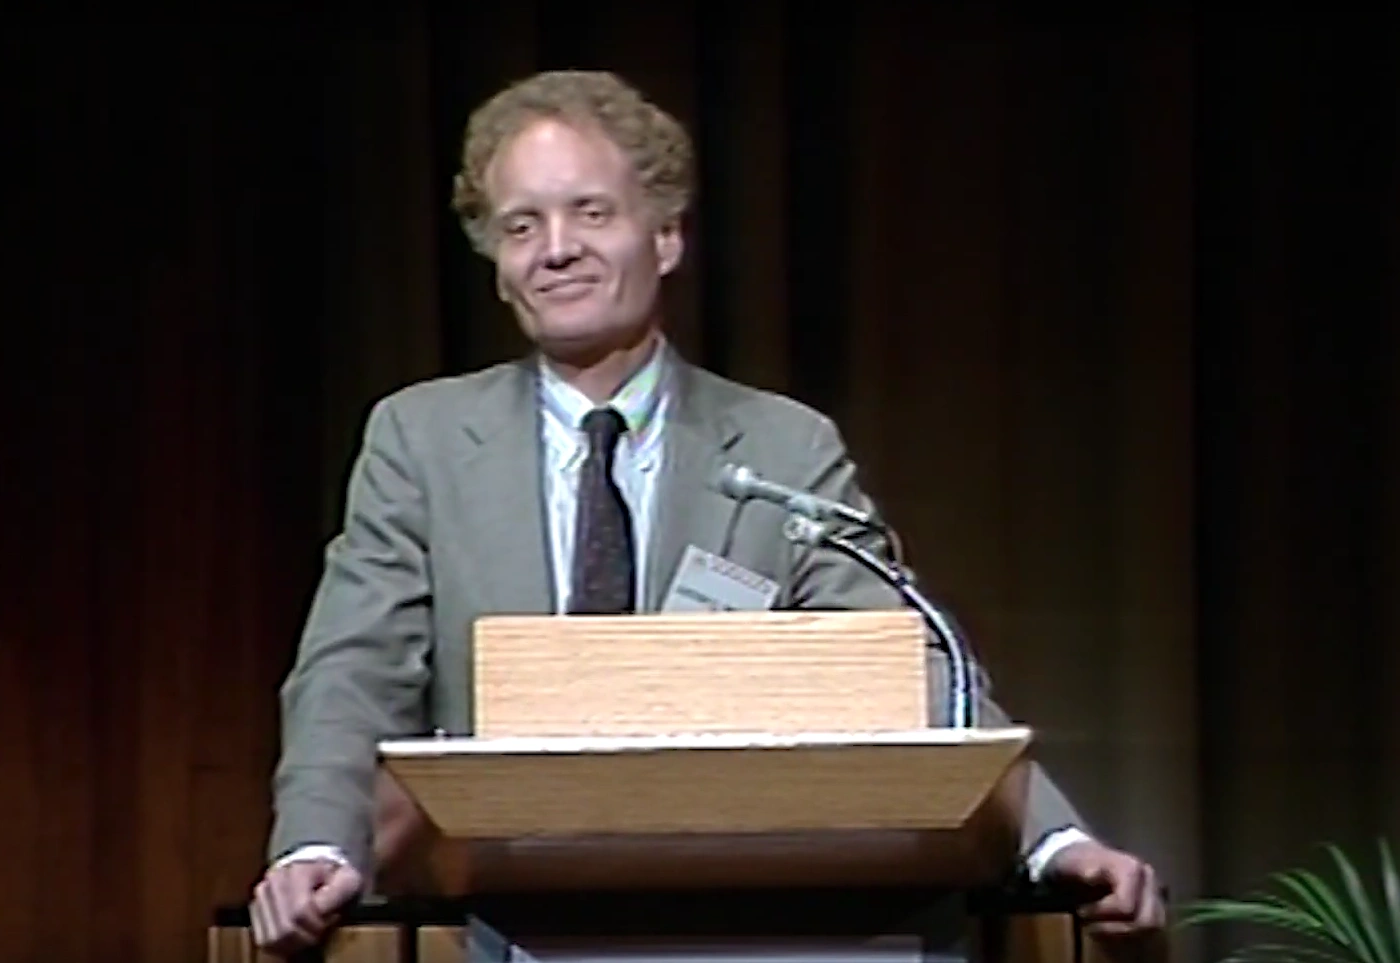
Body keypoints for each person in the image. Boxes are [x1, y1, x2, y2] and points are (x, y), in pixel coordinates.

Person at [249, 69, 1165, 958]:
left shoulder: (783, 446)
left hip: (761, 917)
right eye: (522, 225)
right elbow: (351, 671)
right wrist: (316, 850)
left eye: (590, 212)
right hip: (498, 916)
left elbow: (906, 675)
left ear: (667, 238)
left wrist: (1057, 843)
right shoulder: (422, 438)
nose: (556, 247)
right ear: (499, 269)